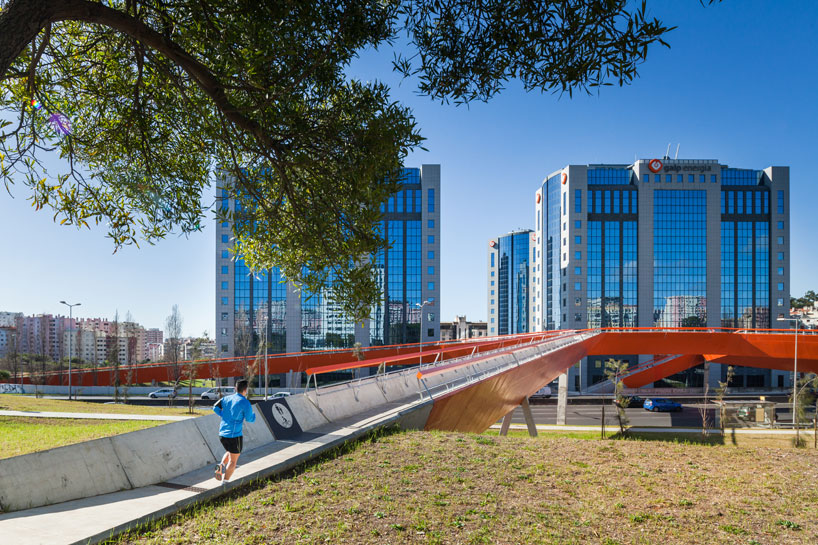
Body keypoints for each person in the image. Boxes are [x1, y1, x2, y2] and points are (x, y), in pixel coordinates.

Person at [213, 378, 255, 483]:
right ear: (246, 390)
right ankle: (225, 483)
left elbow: (215, 407)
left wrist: (224, 415)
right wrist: (253, 415)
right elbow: (250, 419)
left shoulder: (226, 399)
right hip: (234, 436)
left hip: (222, 434)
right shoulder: (245, 402)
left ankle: (221, 466)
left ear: (236, 388)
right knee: (233, 461)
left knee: (230, 451)